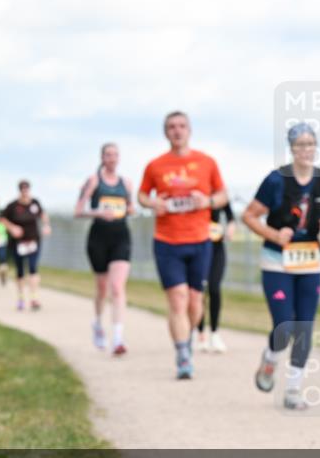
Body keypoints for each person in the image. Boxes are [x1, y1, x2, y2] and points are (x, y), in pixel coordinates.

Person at [242, 123, 320, 410]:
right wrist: (274, 235)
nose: (306, 150)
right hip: (277, 263)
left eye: (311, 143)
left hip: (311, 262)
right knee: (284, 325)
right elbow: (249, 216)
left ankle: (293, 390)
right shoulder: (276, 180)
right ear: (291, 148)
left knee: (304, 327)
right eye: (300, 144)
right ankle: (271, 359)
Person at [138, 111, 229, 379]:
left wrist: (208, 202)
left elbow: (222, 195)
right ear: (166, 133)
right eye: (171, 127)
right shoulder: (155, 165)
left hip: (200, 240)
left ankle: (187, 337)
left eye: (181, 126)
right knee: (177, 300)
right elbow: (142, 195)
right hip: (168, 241)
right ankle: (182, 355)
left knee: (194, 301)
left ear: (189, 130)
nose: (177, 131)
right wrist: (152, 203)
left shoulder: (206, 162)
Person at [75, 143, 135, 355]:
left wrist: (128, 209)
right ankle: (98, 324)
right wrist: (99, 213)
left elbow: (131, 208)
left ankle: (118, 338)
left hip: (121, 236)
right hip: (98, 238)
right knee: (102, 288)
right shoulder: (93, 181)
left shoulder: (126, 183)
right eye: (108, 155)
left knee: (117, 287)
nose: (112, 158)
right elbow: (78, 210)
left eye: (115, 155)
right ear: (102, 157)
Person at [2, 181, 51, 311]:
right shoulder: (12, 206)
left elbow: (43, 214)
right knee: (20, 271)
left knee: (33, 268)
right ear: (19, 190)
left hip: (34, 241)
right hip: (18, 243)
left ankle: (34, 298)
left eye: (27, 188)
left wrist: (46, 225)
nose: (25, 191)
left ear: (29, 189)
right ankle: (20, 298)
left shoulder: (35, 203)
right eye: (22, 189)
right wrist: (12, 228)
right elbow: (2, 219)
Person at [197, 201, 236, 353]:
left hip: (216, 248)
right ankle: (200, 333)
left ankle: (214, 333)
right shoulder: (195, 191)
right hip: (198, 247)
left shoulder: (220, 195)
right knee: (198, 291)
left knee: (214, 288)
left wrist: (231, 228)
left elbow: (231, 217)